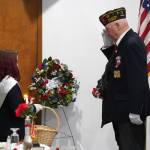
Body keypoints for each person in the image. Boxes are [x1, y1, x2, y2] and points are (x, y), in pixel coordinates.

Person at [94, 7, 150, 150]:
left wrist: (136, 110)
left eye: (108, 28)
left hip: (130, 113)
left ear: (117, 25)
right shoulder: (124, 42)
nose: (107, 32)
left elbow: (138, 79)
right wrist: (108, 46)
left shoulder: (131, 43)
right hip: (122, 111)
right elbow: (118, 66)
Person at [0, 50, 43, 142]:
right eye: (16, 62)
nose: (18, 65)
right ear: (9, 64)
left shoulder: (2, 82)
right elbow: (18, 110)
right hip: (10, 133)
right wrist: (35, 108)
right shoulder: (10, 83)